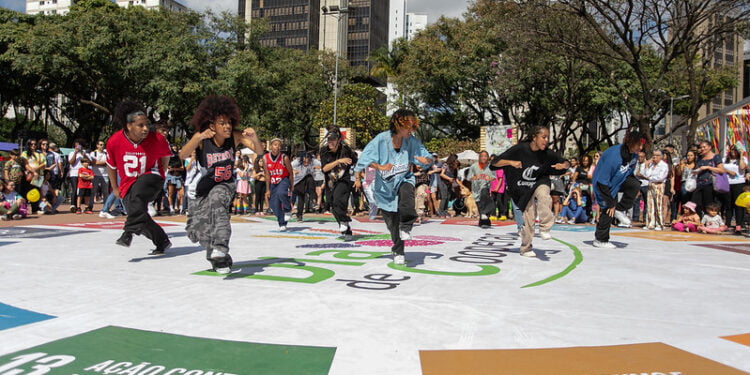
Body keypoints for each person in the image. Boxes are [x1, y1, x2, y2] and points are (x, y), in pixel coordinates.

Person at [180, 95, 264, 274]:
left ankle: (220, 247)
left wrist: (255, 137)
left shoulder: (234, 137)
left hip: (225, 185)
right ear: (212, 126)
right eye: (222, 123)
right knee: (197, 233)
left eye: (229, 122)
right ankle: (219, 257)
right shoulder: (202, 140)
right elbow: (182, 155)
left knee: (218, 205)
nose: (227, 126)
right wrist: (198, 138)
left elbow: (258, 150)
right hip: (203, 188)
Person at [354, 109, 433, 265]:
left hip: (404, 178)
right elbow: (364, 159)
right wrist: (380, 167)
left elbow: (427, 155)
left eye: (413, 127)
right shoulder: (380, 140)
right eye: (409, 127)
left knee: (407, 196)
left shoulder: (411, 141)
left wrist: (427, 160)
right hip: (384, 188)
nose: (411, 131)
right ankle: (398, 249)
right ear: (398, 125)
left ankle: (407, 226)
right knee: (392, 224)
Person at [491, 125, 569, 257]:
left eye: (547, 138)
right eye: (543, 137)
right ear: (534, 137)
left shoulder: (547, 153)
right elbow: (495, 163)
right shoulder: (520, 149)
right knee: (528, 219)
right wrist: (511, 162)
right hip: (522, 188)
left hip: (540, 182)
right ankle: (526, 248)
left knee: (544, 196)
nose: (546, 140)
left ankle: (544, 228)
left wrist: (564, 165)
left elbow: (566, 163)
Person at [106, 101, 173, 255]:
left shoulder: (157, 139)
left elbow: (165, 158)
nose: (145, 129)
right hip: (128, 183)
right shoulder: (114, 141)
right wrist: (115, 187)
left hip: (152, 177)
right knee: (138, 214)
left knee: (138, 195)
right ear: (129, 126)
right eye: (140, 125)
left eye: (147, 125)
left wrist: (162, 173)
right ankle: (162, 241)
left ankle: (127, 233)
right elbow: (111, 166)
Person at [591, 131, 646, 248]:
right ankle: (600, 239)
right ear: (630, 143)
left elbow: (629, 173)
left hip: (618, 180)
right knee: (608, 208)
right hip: (602, 184)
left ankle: (620, 210)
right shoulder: (613, 156)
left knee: (635, 184)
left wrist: (633, 188)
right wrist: (611, 203)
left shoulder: (634, 156)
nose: (641, 148)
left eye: (642, 145)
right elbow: (602, 181)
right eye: (638, 145)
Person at [320, 127, 359, 239]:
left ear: (338, 140)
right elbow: (325, 169)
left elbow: (357, 164)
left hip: (344, 180)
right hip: (330, 182)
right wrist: (338, 161)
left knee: (338, 200)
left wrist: (357, 179)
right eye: (329, 140)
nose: (330, 142)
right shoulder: (324, 150)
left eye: (333, 140)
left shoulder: (346, 150)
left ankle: (344, 221)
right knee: (333, 206)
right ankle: (347, 229)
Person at [264, 138, 294, 230]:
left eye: (279, 145)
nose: (277, 147)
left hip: (283, 180)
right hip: (273, 182)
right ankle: (282, 223)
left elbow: (291, 172)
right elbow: (267, 175)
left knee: (281, 193)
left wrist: (291, 185)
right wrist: (268, 189)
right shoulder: (265, 158)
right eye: (275, 144)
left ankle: (288, 209)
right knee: (274, 205)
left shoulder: (284, 157)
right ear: (271, 146)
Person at [691, 141, 725, 216]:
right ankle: (700, 220)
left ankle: (709, 221)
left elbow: (721, 170)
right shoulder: (699, 157)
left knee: (708, 204)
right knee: (694, 203)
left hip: (709, 183)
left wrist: (708, 167)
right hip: (699, 183)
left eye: (704, 147)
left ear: (709, 147)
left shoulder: (716, 157)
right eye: (701, 147)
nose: (702, 149)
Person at [466, 150, 496, 228]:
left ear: (488, 158)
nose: (484, 158)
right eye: (482, 156)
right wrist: (475, 177)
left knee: (484, 195)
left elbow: (494, 177)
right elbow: (468, 177)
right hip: (476, 189)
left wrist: (489, 178)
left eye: (485, 156)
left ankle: (484, 215)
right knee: (480, 205)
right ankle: (484, 222)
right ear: (479, 157)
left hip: (485, 187)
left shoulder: (490, 167)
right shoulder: (474, 166)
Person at [643, 149, 669, 230]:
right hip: (651, 185)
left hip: (659, 185)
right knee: (650, 205)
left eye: (657, 155)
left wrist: (650, 178)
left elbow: (660, 177)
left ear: (661, 157)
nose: (654, 157)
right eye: (653, 155)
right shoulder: (651, 165)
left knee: (658, 204)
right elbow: (646, 174)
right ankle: (650, 223)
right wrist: (646, 165)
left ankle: (659, 224)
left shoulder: (664, 165)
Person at [724, 145, 747, 233]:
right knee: (728, 204)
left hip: (739, 183)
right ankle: (728, 223)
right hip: (728, 183)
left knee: (738, 205)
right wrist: (728, 171)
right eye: (732, 150)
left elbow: (742, 167)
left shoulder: (743, 159)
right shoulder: (725, 159)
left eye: (735, 150)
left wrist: (741, 155)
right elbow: (720, 168)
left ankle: (739, 224)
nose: (733, 151)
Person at [291, 152, 315, 222]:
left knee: (310, 178)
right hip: (296, 182)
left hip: (304, 180)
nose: (306, 163)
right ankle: (295, 214)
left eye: (308, 161)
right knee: (297, 197)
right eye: (304, 161)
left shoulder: (312, 163)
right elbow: (286, 166)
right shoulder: (296, 162)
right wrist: (292, 170)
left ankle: (313, 200)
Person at [89, 140, 109, 209]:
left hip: (105, 174)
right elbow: (93, 162)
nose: (102, 146)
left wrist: (99, 163)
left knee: (105, 192)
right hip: (95, 174)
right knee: (93, 191)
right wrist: (103, 163)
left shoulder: (106, 153)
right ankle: (90, 206)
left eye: (103, 145)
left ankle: (105, 207)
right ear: (97, 145)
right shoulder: (93, 153)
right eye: (100, 144)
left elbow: (108, 162)